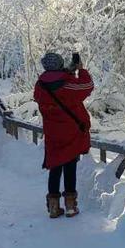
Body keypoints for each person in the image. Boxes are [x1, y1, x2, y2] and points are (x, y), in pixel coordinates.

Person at [33, 52, 94, 218]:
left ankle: (53, 208)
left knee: (55, 167)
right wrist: (80, 70)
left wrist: (66, 72)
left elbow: (53, 84)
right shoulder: (67, 85)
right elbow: (86, 86)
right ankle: (70, 206)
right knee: (70, 166)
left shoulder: (40, 86)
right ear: (60, 65)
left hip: (52, 133)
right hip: (70, 132)